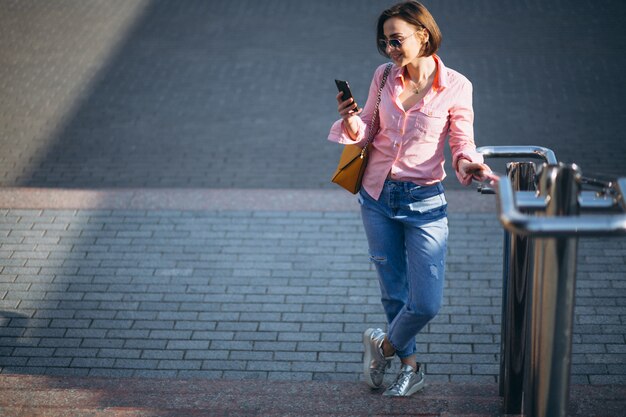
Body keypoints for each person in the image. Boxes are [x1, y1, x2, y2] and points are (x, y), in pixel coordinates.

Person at [327, 1, 491, 397]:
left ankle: (383, 346)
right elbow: (366, 128)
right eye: (385, 42)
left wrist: (468, 163)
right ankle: (411, 367)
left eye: (397, 40)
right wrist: (351, 122)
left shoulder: (456, 86)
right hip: (377, 196)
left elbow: (462, 140)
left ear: (423, 34)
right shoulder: (384, 76)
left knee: (426, 303)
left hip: (425, 204)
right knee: (393, 292)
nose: (390, 50)